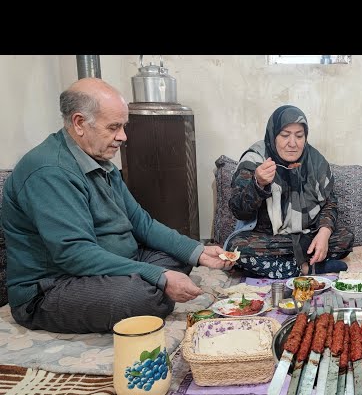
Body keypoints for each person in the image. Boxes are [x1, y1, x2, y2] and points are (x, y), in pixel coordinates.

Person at [1, 78, 234, 334]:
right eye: (113, 127)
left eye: (123, 126)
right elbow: (74, 255)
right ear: (79, 123)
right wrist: (158, 276)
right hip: (54, 287)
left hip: (109, 266)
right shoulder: (49, 171)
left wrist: (197, 251)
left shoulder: (100, 160)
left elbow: (142, 223)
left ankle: (148, 282)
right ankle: (145, 288)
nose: (122, 137)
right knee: (138, 296)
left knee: (176, 257)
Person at [225, 105, 354, 279]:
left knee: (345, 237)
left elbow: (329, 204)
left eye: (299, 136)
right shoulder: (255, 160)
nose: (293, 143)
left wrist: (324, 233)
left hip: (305, 235)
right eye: (285, 135)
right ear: (273, 135)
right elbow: (238, 210)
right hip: (268, 238)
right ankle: (307, 269)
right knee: (236, 247)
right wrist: (258, 184)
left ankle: (276, 265)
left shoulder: (315, 162)